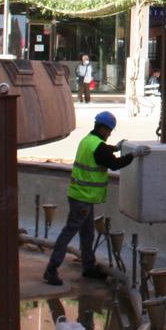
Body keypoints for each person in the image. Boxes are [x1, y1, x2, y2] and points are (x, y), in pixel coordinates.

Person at [44, 110, 149, 286]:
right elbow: (115, 164)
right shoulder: (98, 146)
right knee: (68, 233)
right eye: (108, 131)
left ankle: (88, 266)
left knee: (87, 234)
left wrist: (115, 147)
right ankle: (51, 269)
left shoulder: (88, 140)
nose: (109, 134)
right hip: (83, 199)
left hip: (81, 196)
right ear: (101, 128)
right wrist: (134, 155)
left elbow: (101, 151)